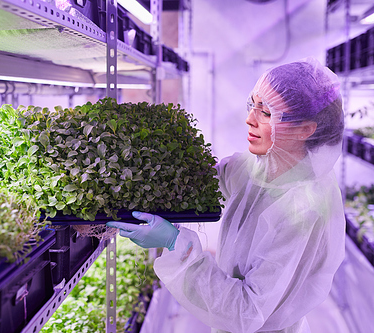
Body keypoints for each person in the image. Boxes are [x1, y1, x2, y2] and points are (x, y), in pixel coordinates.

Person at [107, 57, 346, 333]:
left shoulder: (303, 210)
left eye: (267, 113)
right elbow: (207, 180)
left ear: (306, 129)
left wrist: (176, 245)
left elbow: (244, 312)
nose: (249, 119)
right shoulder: (256, 168)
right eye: (252, 105)